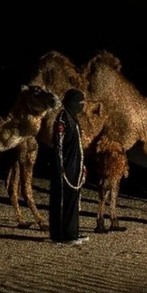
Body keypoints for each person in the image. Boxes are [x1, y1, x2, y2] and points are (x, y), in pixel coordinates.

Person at [49, 88, 88, 244]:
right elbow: (59, 145)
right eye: (80, 102)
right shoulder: (63, 119)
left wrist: (81, 165)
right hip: (65, 168)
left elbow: (76, 146)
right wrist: (62, 169)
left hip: (74, 167)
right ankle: (63, 235)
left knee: (72, 201)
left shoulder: (72, 118)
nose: (82, 105)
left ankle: (72, 232)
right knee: (63, 200)